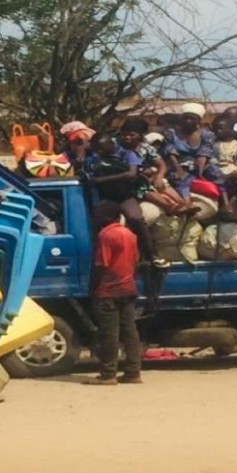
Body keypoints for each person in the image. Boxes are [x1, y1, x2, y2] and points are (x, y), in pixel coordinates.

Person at [86, 200, 143, 385]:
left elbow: (102, 265)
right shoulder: (130, 234)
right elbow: (135, 262)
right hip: (128, 288)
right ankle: (133, 373)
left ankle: (108, 374)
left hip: (108, 290)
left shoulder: (106, 235)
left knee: (109, 333)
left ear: (104, 216)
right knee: (130, 332)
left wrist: (93, 287)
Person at [85, 135, 153, 258]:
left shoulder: (127, 154)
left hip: (125, 196)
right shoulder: (95, 159)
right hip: (107, 197)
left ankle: (149, 254)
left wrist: (101, 180)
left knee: (135, 219)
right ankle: (97, 256)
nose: (99, 152)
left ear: (111, 144)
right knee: (96, 222)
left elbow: (131, 174)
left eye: (101, 148)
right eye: (97, 149)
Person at [161, 102, 222, 197]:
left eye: (192, 119)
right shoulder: (171, 134)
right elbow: (170, 153)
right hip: (178, 164)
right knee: (181, 179)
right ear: (180, 119)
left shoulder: (207, 135)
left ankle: (225, 204)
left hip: (202, 165)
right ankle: (186, 202)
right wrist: (179, 170)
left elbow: (203, 154)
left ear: (199, 121)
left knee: (216, 173)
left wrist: (200, 174)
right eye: (186, 118)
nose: (188, 121)